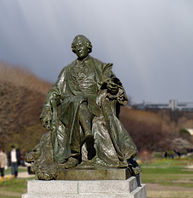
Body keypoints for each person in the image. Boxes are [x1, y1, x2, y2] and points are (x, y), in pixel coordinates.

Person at [27, 35, 139, 180]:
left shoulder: (100, 66)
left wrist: (111, 86)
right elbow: (55, 91)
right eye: (76, 46)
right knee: (77, 101)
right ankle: (87, 134)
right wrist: (47, 108)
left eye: (81, 45)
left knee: (80, 101)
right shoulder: (67, 70)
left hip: (94, 104)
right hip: (70, 106)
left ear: (88, 47)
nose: (78, 48)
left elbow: (113, 82)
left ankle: (76, 153)